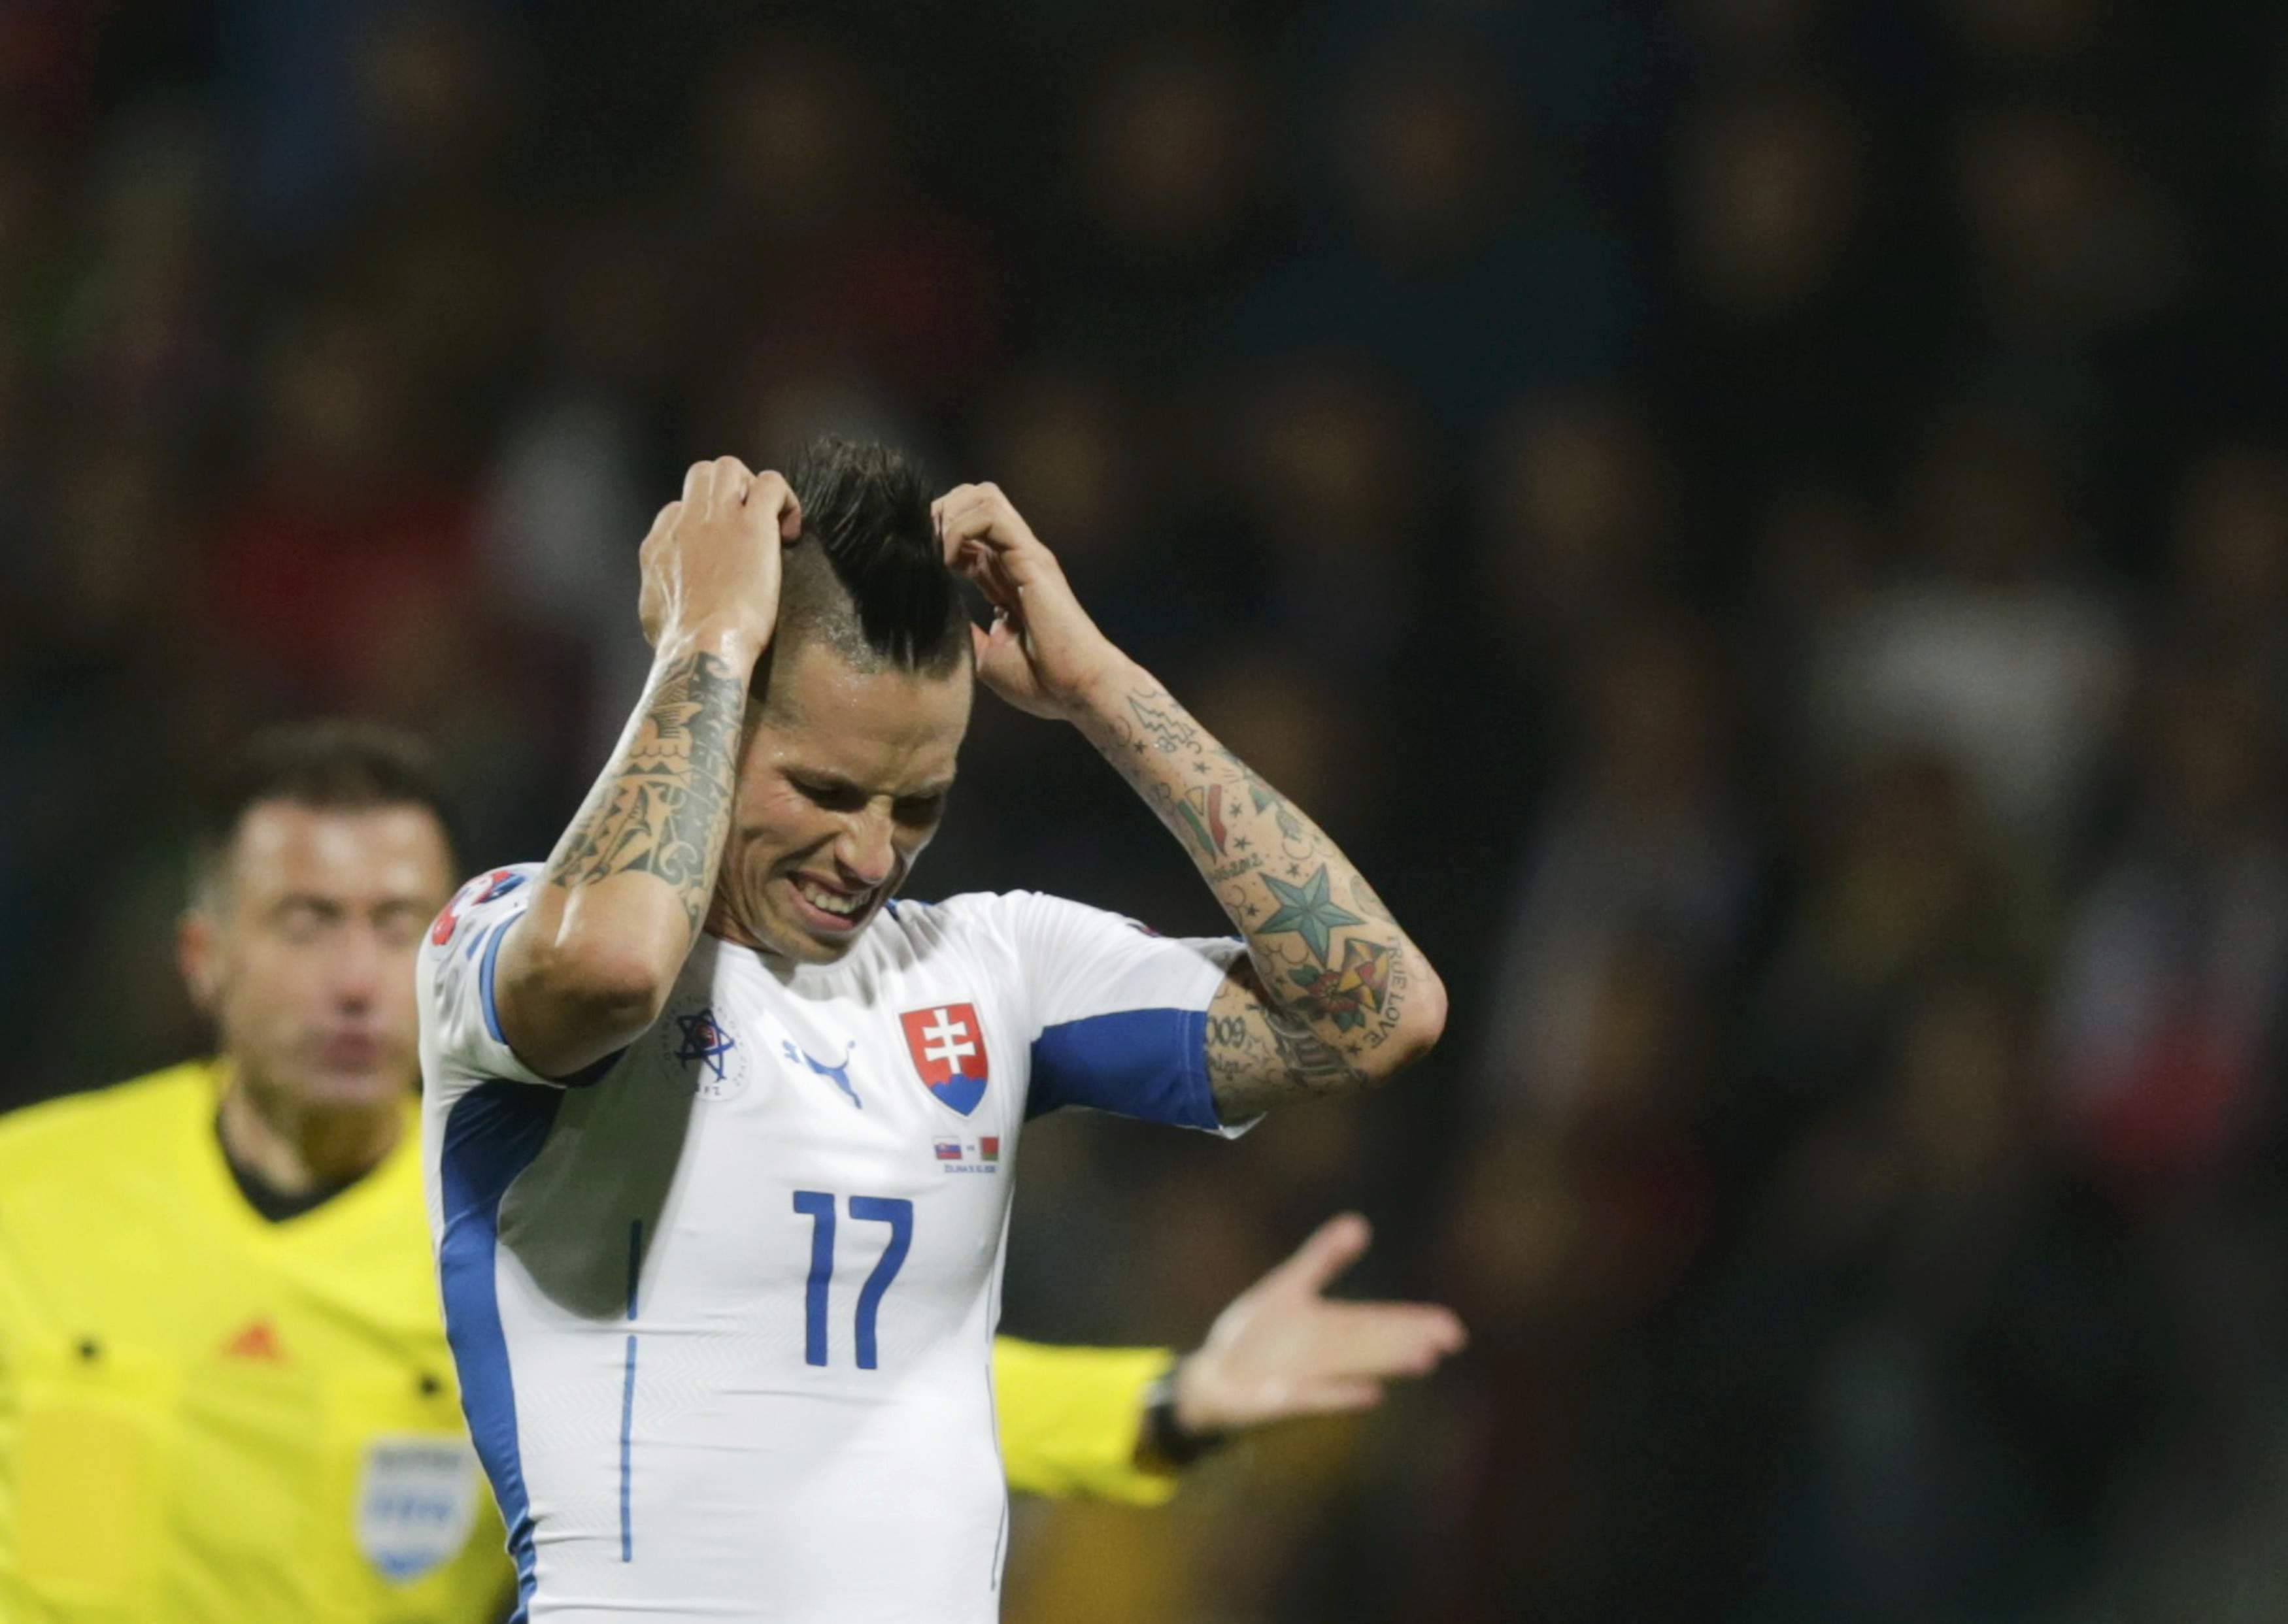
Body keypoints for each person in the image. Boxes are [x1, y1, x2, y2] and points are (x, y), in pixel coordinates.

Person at [0, 724, 1462, 1624]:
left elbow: (865, 1374)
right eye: (306, 919)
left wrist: (1168, 1400)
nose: (354, 977)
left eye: (395, 922)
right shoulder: (30, 1194)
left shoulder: (549, 1212)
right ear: (203, 956)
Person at [419, 439, 1449, 1620]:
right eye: (823, 789)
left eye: (918, 805)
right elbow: (613, 965)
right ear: (721, 722)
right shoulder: (499, 932)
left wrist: (1103, 691)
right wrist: (702, 639)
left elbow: (1379, 1012)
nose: (870, 854)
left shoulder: (992, 969)